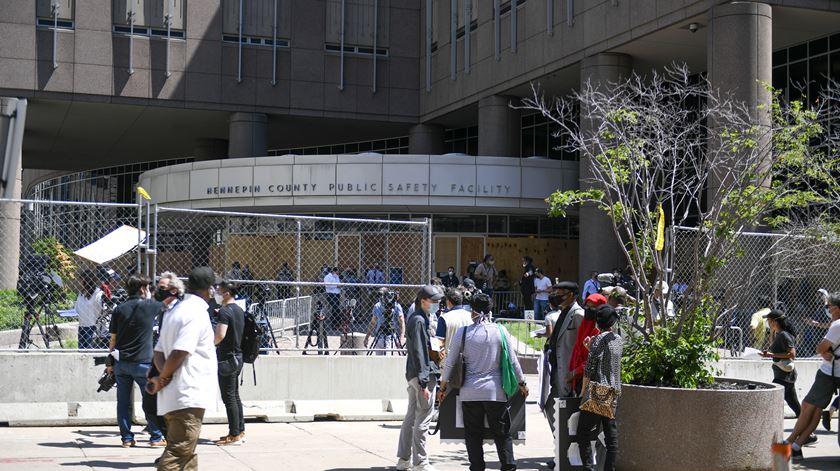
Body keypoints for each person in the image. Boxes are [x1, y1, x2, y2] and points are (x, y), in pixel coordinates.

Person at [439, 293, 528, 471]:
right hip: (495, 391)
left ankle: (477, 467)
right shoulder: (501, 331)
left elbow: (450, 361)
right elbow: (512, 360)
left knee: (473, 434)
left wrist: (443, 386)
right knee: (502, 433)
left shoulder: (463, 333)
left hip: (469, 392)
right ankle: (508, 465)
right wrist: (522, 383)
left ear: (473, 311)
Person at [147, 267, 219, 471]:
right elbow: (180, 352)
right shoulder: (195, 313)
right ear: (209, 289)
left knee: (187, 453)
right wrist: (165, 377)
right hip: (188, 393)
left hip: (177, 394)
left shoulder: (176, 310)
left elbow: (159, 352)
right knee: (179, 451)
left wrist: (163, 376)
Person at [108, 274, 165, 448]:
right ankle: (156, 436)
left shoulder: (119, 309)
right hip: (144, 363)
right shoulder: (151, 306)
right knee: (150, 401)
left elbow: (113, 340)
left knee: (123, 403)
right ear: (142, 288)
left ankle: (126, 438)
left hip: (122, 363)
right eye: (147, 287)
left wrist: (110, 362)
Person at [786, 292, 840, 459]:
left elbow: (820, 348)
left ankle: (790, 443)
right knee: (816, 409)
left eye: (829, 308)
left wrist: (825, 350)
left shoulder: (837, 325)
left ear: (836, 309)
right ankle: (796, 444)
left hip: (830, 372)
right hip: (834, 371)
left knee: (808, 406)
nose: (828, 311)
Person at [396, 285, 442, 471]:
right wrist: (424, 382)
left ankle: (404, 460)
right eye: (434, 302)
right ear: (423, 301)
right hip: (421, 375)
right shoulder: (419, 321)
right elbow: (419, 353)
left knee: (411, 416)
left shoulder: (420, 318)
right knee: (423, 418)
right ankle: (420, 462)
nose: (437, 305)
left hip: (415, 374)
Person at [577, 305, 623, 471]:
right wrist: (591, 349)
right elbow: (607, 360)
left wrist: (582, 392)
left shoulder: (597, 339)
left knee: (583, 433)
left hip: (599, 390)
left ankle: (588, 467)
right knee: (611, 437)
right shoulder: (618, 339)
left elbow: (589, 369)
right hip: (614, 390)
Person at [542, 281, 584, 451]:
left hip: (568, 372)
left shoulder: (578, 314)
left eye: (562, 292)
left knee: (561, 410)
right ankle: (561, 447)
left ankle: (565, 450)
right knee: (551, 407)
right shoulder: (563, 313)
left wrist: (576, 371)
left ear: (572, 295)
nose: (557, 295)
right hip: (557, 370)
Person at [214, 281, 246, 446]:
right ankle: (239, 430)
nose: (217, 293)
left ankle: (234, 435)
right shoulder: (239, 310)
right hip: (238, 356)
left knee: (229, 398)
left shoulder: (225, 311)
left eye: (219, 291)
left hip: (227, 358)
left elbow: (220, 335)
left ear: (226, 293)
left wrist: (209, 344)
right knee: (234, 395)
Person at [760, 310, 801, 418]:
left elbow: (792, 354)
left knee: (771, 397)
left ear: (774, 322)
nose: (767, 322)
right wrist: (772, 332)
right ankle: (809, 424)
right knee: (795, 406)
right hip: (784, 375)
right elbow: (772, 346)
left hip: (784, 376)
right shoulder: (779, 334)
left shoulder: (783, 335)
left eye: (768, 320)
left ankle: (765, 421)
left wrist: (771, 355)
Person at [568, 293, 608, 395]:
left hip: (591, 378)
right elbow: (577, 349)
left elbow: (595, 357)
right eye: (587, 306)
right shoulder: (584, 324)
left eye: (593, 307)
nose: (589, 309)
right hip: (578, 376)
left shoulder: (601, 329)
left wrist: (576, 372)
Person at [364, 288, 406, 354]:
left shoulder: (396, 306)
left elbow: (402, 322)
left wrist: (401, 338)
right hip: (379, 336)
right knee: (378, 360)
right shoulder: (377, 306)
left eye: (382, 295)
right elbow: (372, 322)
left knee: (388, 359)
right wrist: (367, 337)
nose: (380, 297)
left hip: (391, 337)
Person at [435, 288, 473, 355]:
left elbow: (439, 342)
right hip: (469, 359)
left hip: (450, 359)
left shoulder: (444, 318)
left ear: (448, 302)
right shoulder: (471, 317)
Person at [75, 270, 103, 350]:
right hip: (82, 325)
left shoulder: (98, 294)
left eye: (81, 280)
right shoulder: (81, 294)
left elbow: (99, 309)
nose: (80, 283)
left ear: (86, 281)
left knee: (91, 350)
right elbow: (77, 307)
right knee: (81, 350)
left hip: (93, 326)